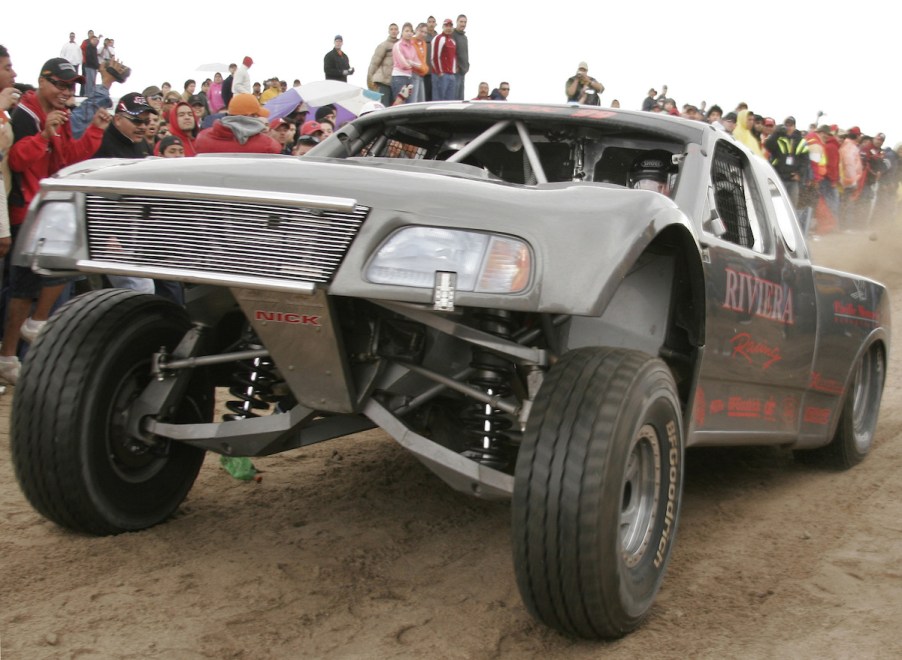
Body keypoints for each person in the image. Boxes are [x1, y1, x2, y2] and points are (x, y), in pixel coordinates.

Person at [1, 57, 111, 384]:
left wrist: (94, 132)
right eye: (60, 84)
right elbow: (18, 161)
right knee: (43, 275)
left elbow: (66, 160)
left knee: (26, 288)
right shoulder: (26, 113)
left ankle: (11, 354)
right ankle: (18, 344)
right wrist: (44, 136)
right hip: (27, 209)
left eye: (70, 86)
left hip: (41, 208)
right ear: (42, 81)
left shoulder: (54, 115)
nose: (66, 91)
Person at [194, 93, 280, 154]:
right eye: (257, 116)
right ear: (250, 117)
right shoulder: (266, 144)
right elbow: (276, 148)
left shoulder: (202, 138)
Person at [92, 91, 156, 159]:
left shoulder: (144, 144)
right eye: (137, 120)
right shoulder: (99, 143)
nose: (143, 127)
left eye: (146, 121)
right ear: (118, 119)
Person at [765, 116, 810, 208]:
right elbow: (768, 146)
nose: (789, 127)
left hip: (792, 179)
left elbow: (805, 161)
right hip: (778, 177)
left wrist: (799, 174)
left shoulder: (801, 141)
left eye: (791, 125)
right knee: (776, 204)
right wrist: (777, 133)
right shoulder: (778, 138)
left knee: (791, 206)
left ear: (794, 126)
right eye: (787, 125)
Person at [367, 24, 399, 107]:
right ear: (388, 31)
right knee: (384, 106)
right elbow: (374, 63)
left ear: (398, 31)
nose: (394, 31)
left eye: (395, 29)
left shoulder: (400, 44)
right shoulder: (383, 45)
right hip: (384, 81)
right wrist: (370, 79)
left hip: (395, 80)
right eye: (391, 29)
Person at [391, 23, 419, 105]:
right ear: (402, 33)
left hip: (409, 78)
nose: (409, 33)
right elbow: (404, 64)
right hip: (399, 77)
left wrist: (410, 62)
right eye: (406, 31)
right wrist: (410, 63)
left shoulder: (412, 47)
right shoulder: (397, 45)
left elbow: (419, 64)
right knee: (399, 104)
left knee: (409, 105)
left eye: (411, 31)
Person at [431, 19, 457, 101]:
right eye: (446, 26)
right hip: (441, 74)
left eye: (450, 26)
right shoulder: (439, 38)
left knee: (449, 101)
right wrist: (439, 72)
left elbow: (453, 57)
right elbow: (434, 56)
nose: (448, 28)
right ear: (443, 27)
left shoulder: (452, 41)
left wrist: (454, 71)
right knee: (439, 100)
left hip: (451, 75)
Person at [452, 15, 469, 100]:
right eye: (461, 22)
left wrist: (467, 65)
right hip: (456, 71)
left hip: (463, 71)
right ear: (457, 22)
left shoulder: (464, 37)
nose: (463, 24)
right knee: (454, 97)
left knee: (460, 98)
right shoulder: (452, 35)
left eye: (465, 22)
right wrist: (456, 65)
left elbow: (465, 53)